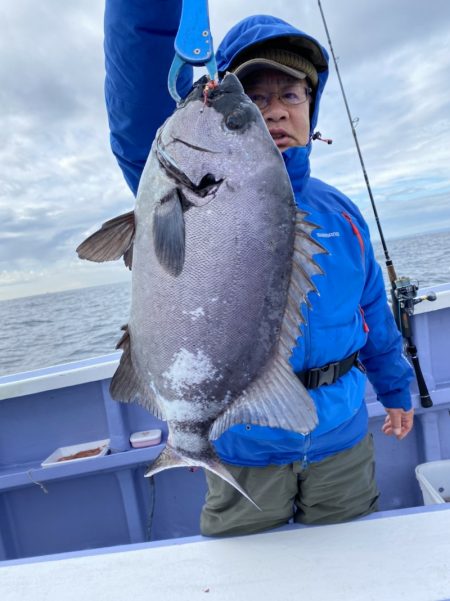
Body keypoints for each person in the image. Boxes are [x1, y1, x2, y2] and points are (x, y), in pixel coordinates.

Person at [104, 2, 415, 536]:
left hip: (340, 436)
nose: (274, 111)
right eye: (255, 97)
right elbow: (136, 102)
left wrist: (395, 389)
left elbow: (372, 313)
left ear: (310, 109)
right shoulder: (181, 178)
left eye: (291, 95)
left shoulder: (342, 213)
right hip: (242, 446)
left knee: (347, 566)